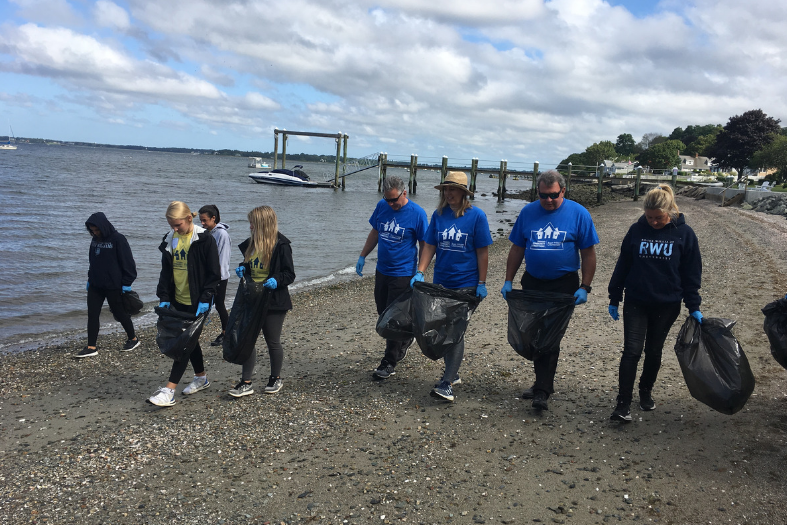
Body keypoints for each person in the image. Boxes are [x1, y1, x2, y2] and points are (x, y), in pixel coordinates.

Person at [501, 170, 599, 411]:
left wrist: (585, 286)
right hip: (533, 281)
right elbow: (517, 249)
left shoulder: (579, 214)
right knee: (533, 334)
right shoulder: (528, 212)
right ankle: (540, 383)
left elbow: (588, 253)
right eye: (543, 196)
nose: (548, 200)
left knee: (550, 337)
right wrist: (508, 280)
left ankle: (543, 391)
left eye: (553, 195)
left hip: (563, 283)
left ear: (563, 191)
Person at [607, 184, 702, 422]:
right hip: (636, 300)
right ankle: (623, 403)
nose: (653, 222)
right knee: (631, 351)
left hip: (667, 304)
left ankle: (645, 390)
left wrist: (694, 306)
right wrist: (614, 296)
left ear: (670, 211)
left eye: (658, 218)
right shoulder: (636, 230)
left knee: (653, 350)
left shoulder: (685, 234)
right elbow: (623, 265)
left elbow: (691, 274)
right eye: (649, 217)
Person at [410, 171, 492, 402]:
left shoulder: (477, 217)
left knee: (455, 331)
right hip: (441, 282)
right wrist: (420, 271)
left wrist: (482, 283)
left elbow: (482, 252)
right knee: (444, 329)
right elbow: (430, 245)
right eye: (446, 189)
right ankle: (453, 373)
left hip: (465, 284)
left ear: (464, 193)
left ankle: (447, 383)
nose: (449, 193)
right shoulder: (439, 215)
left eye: (453, 189)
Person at [148, 201, 220, 407]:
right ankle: (201, 378)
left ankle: (169, 391)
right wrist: (163, 296)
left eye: (178, 225)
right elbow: (166, 272)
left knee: (184, 343)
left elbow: (214, 274)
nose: (175, 229)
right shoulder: (170, 239)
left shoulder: (204, 240)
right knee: (190, 340)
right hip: (177, 299)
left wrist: (206, 299)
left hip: (198, 301)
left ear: (189, 218)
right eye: (172, 225)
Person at [356, 176, 428, 379]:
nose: (391, 204)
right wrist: (363, 256)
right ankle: (406, 338)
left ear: (404, 193)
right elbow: (375, 232)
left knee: (393, 319)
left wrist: (420, 271)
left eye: (394, 200)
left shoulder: (417, 214)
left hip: (404, 273)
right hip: (382, 270)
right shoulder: (382, 206)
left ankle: (389, 361)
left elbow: (426, 244)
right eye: (387, 200)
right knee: (382, 312)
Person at [231, 205, 295, 397]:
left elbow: (289, 274)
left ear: (263, 224)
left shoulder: (281, 245)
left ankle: (275, 378)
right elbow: (250, 265)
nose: (250, 227)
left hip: (274, 301)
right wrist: (243, 268)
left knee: (272, 341)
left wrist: (277, 281)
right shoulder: (251, 244)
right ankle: (246, 382)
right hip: (252, 298)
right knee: (247, 339)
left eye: (253, 223)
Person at [80, 212, 140, 358]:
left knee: (119, 313)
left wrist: (126, 284)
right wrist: (90, 278)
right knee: (92, 314)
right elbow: (92, 261)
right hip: (95, 285)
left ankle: (133, 339)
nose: (95, 232)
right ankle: (91, 346)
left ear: (104, 226)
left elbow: (129, 263)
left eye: (97, 230)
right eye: (92, 230)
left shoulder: (118, 239)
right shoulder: (95, 240)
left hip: (114, 285)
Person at [199, 205, 231, 347]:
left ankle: (226, 332)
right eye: (201, 220)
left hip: (219, 277)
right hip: (209, 276)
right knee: (209, 304)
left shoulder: (221, 234)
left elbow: (222, 258)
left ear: (213, 218)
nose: (202, 223)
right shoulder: (208, 232)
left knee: (219, 305)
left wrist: (217, 277)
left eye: (205, 220)